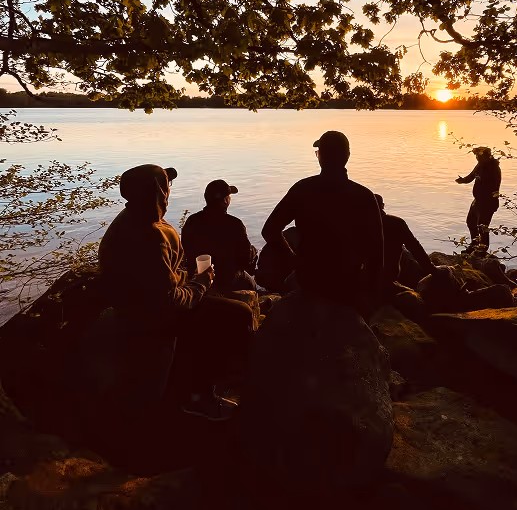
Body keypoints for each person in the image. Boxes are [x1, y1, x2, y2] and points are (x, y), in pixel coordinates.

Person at [98, 164, 254, 421]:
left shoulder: (136, 219)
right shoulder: (148, 234)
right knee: (238, 314)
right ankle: (199, 397)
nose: (169, 190)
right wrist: (201, 283)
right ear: (157, 192)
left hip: (139, 305)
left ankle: (201, 386)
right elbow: (168, 300)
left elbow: (163, 276)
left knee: (223, 309)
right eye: (166, 185)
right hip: (148, 316)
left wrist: (189, 278)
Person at [261, 131, 384, 315]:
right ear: (347, 156)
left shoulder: (302, 189)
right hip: (349, 282)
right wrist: (371, 295)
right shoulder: (364, 196)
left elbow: (269, 230)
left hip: (310, 279)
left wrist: (292, 258)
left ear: (320, 157)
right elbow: (377, 252)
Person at [181, 179, 257, 292]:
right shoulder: (235, 224)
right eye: (229, 196)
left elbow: (185, 250)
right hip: (226, 279)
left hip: (196, 276)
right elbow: (244, 260)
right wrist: (253, 253)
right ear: (226, 201)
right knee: (251, 284)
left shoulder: (192, 221)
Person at [374, 194, 439, 287]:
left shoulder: (358, 224)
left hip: (364, 277)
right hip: (387, 278)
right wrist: (432, 270)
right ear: (383, 206)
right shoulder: (395, 222)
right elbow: (415, 247)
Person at [455, 146, 502, 252]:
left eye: (479, 155)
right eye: (476, 155)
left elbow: (493, 186)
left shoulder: (493, 168)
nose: (477, 158)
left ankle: (482, 250)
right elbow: (471, 177)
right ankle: (474, 244)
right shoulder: (480, 165)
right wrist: (462, 180)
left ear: (486, 156)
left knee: (482, 227)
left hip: (488, 202)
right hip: (478, 201)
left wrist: (486, 198)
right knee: (470, 222)